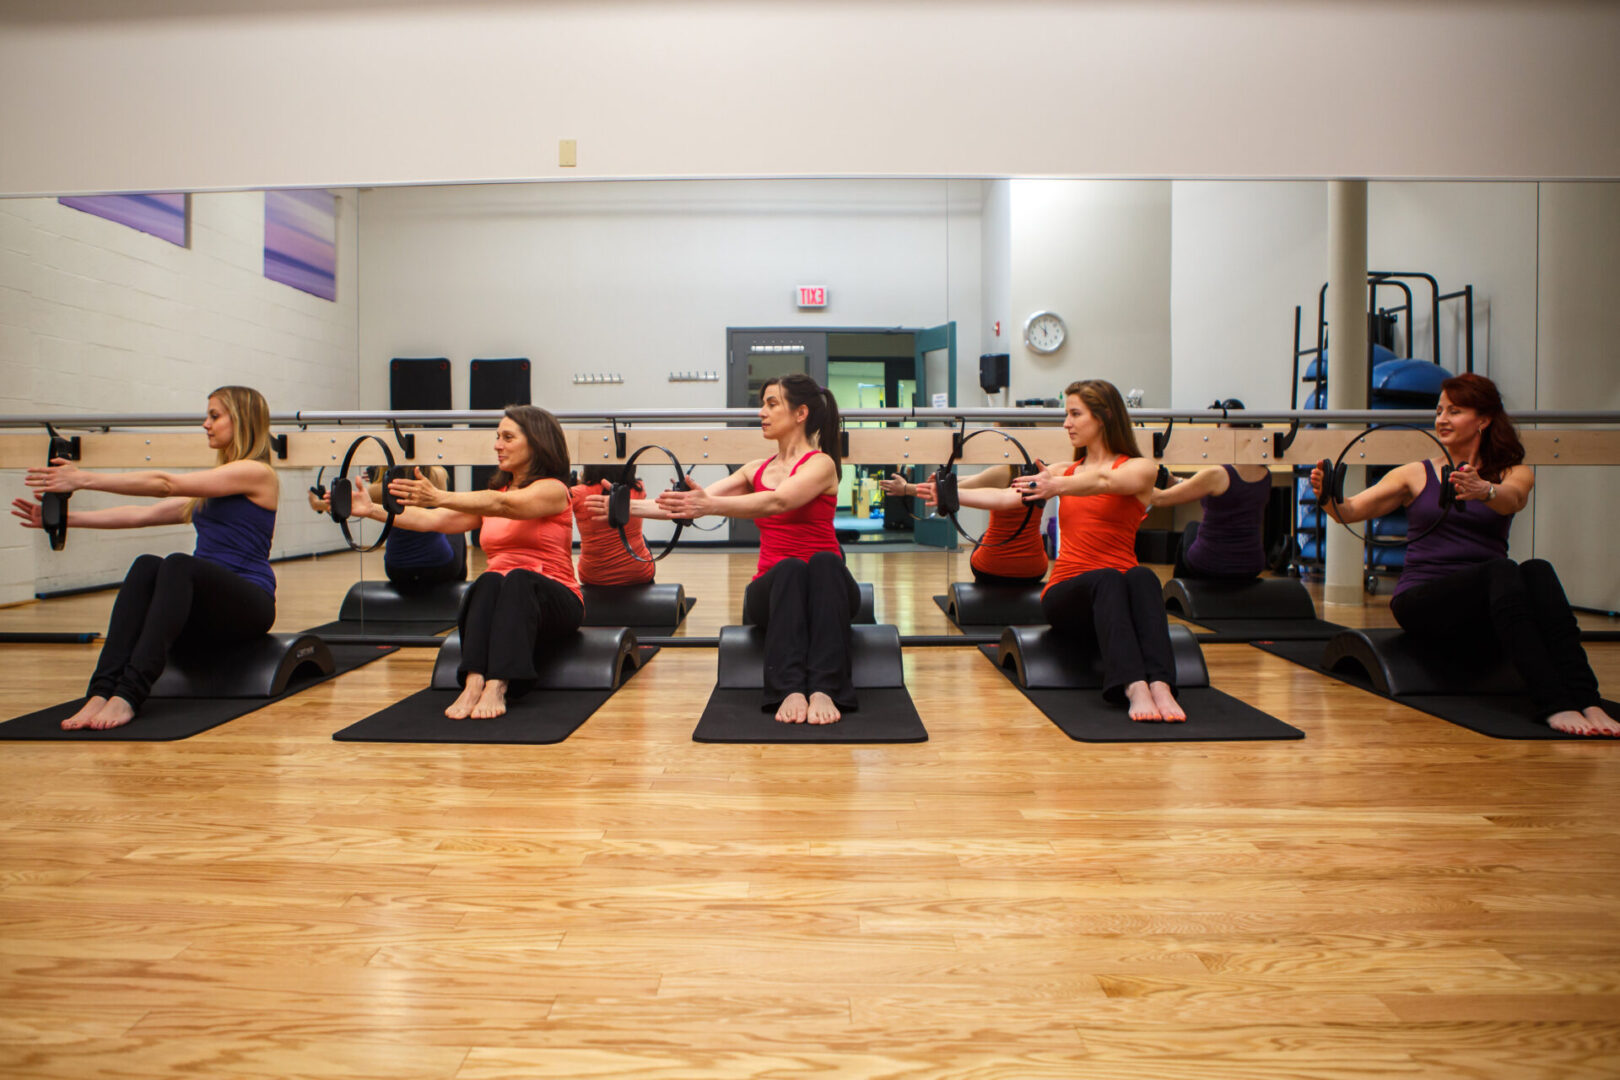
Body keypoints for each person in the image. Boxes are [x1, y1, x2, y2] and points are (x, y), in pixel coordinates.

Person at [1311, 372, 1617, 737]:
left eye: (1454, 411)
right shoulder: (1414, 474)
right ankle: (1556, 704)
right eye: (1439, 410)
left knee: (1537, 569)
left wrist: (1484, 490)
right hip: (1422, 600)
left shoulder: (1512, 473)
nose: (1441, 419)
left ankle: (1588, 699)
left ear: (1484, 420)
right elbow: (1350, 512)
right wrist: (1328, 497)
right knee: (1502, 570)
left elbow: (1513, 499)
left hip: (1487, 602)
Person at [12, 386, 279, 731]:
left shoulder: (257, 473)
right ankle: (101, 690)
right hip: (208, 609)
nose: (205, 424)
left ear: (241, 419)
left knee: (178, 564)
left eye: (214, 416)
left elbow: (166, 483)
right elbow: (141, 515)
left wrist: (85, 479)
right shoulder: (212, 490)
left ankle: (128, 695)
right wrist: (63, 519)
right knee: (147, 564)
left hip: (250, 605)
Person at [599, 373, 858, 724]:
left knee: (825, 562)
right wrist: (621, 508)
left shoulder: (821, 464)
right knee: (790, 568)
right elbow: (689, 503)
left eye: (771, 404)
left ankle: (826, 689)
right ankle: (790, 689)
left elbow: (778, 502)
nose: (761, 412)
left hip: (829, 593)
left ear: (800, 413)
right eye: (761, 404)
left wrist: (707, 505)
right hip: (773, 592)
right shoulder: (756, 469)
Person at [924, 379, 1184, 722]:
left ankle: (1162, 685)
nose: (1066, 423)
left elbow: (1108, 481)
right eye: (1066, 414)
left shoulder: (1140, 467)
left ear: (1104, 417)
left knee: (1143, 577)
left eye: (1075, 414)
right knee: (1108, 578)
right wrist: (945, 495)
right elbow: (1005, 498)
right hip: (1066, 596)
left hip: (1120, 595)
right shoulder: (1062, 471)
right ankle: (1134, 686)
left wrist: (1057, 485)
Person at [348, 405, 582, 721]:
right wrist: (372, 510)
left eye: (508, 437)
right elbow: (434, 520)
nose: (498, 445)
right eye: (497, 437)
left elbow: (505, 505)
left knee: (517, 578)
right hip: (503, 596)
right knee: (487, 580)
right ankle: (473, 682)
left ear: (537, 442)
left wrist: (439, 495)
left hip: (556, 599)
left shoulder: (554, 490)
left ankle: (498, 683)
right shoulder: (493, 494)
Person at [1152, 399, 1272, 580]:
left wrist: (1136, 480)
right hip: (1252, 564)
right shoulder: (1265, 474)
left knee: (1192, 529)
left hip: (1213, 563)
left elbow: (1160, 499)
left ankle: (1178, 600)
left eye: (1220, 427)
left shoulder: (1217, 474)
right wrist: (1174, 480)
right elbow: (1215, 488)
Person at [882, 465, 1048, 586]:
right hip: (1035, 569)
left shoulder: (1005, 472)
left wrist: (906, 488)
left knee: (985, 539)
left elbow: (947, 491)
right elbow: (978, 479)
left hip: (992, 568)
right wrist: (945, 479)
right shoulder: (1043, 473)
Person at [308, 465, 467, 587]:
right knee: (452, 524)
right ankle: (459, 587)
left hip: (396, 571)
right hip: (440, 570)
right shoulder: (436, 475)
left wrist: (317, 503)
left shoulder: (380, 489)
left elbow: (329, 504)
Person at [569, 464, 655, 586]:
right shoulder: (639, 488)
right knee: (641, 538)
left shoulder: (577, 493)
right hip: (639, 573)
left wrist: (579, 483)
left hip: (593, 577)